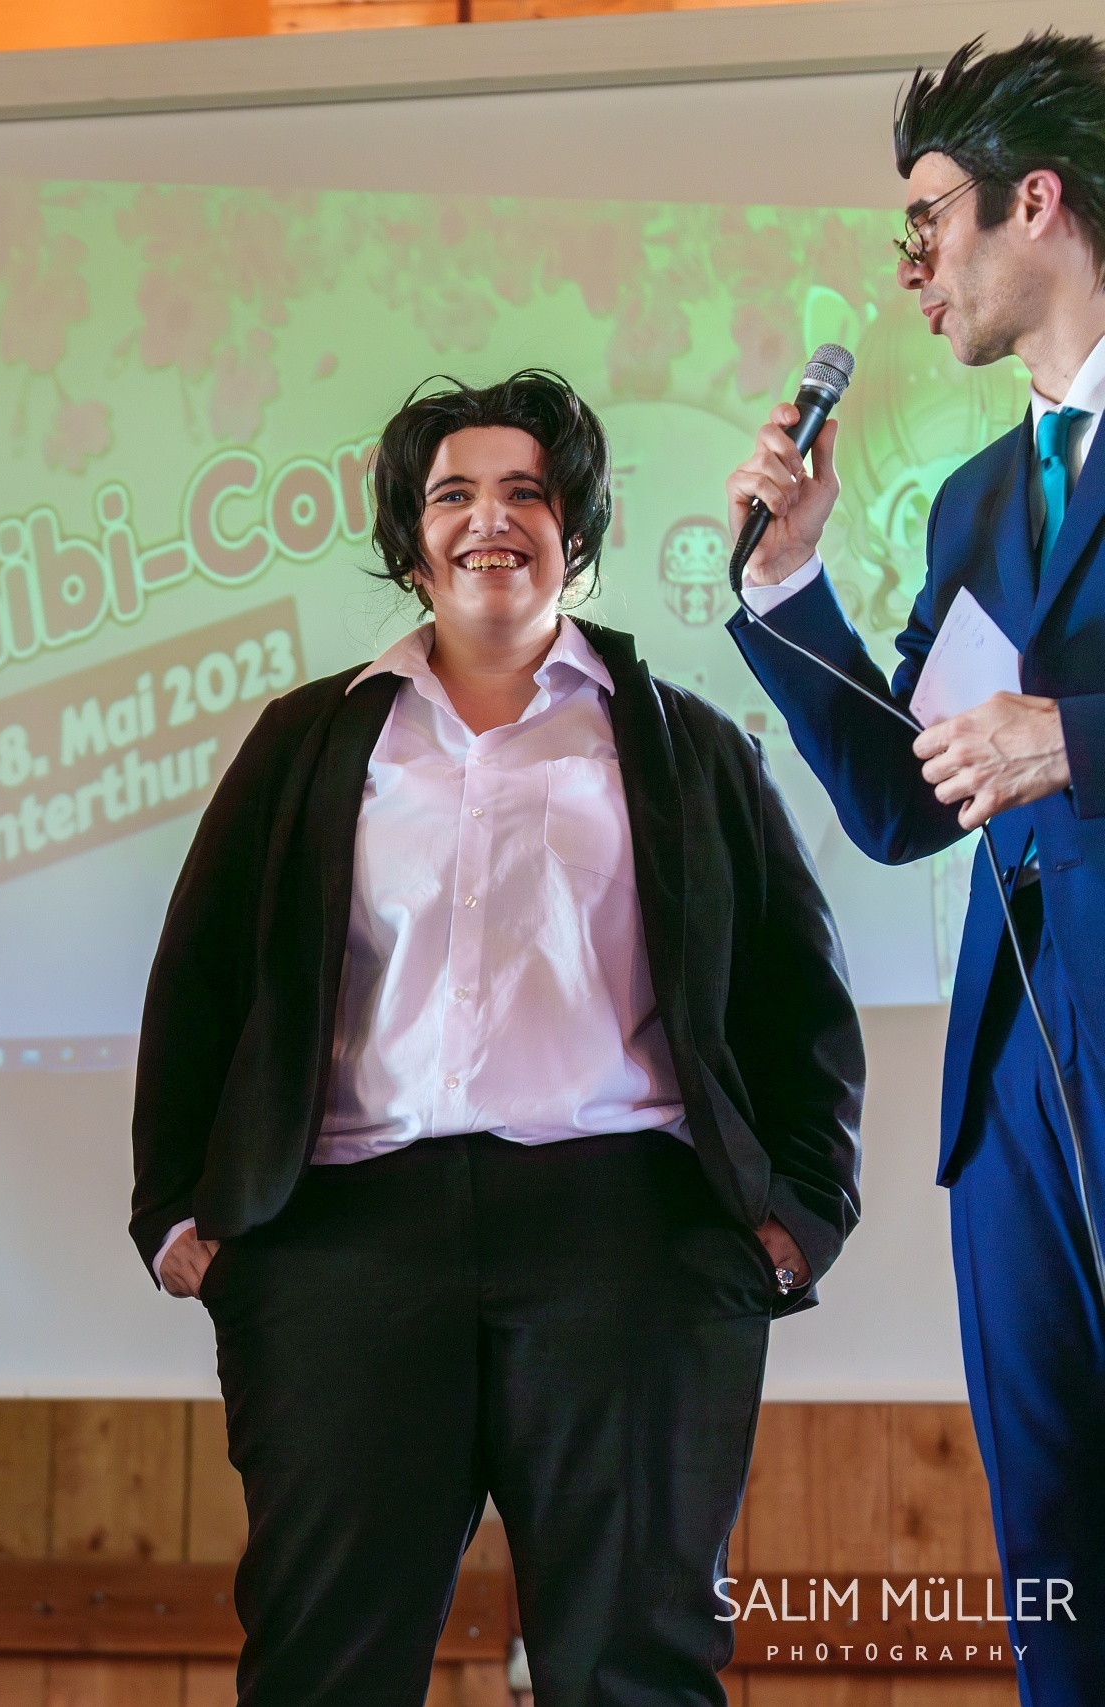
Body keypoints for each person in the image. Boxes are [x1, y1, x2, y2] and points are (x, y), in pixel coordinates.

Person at [135, 371, 863, 1706]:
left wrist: (804, 1210)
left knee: (636, 1668)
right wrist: (175, 1206)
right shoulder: (307, 743)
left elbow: (795, 993)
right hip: (344, 1248)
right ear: (410, 538)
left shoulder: (686, 743)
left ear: (572, 528)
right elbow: (200, 982)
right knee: (320, 1668)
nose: (490, 519)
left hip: (628, 1245)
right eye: (453, 494)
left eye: (526, 491)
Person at [724, 32, 1105, 1705]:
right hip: (1019, 1088)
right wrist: (789, 588)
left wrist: (1076, 738)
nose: (911, 268)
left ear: (1040, 202)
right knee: (1059, 1564)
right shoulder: (973, 504)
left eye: (931, 218)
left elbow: (1039, 742)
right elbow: (903, 799)